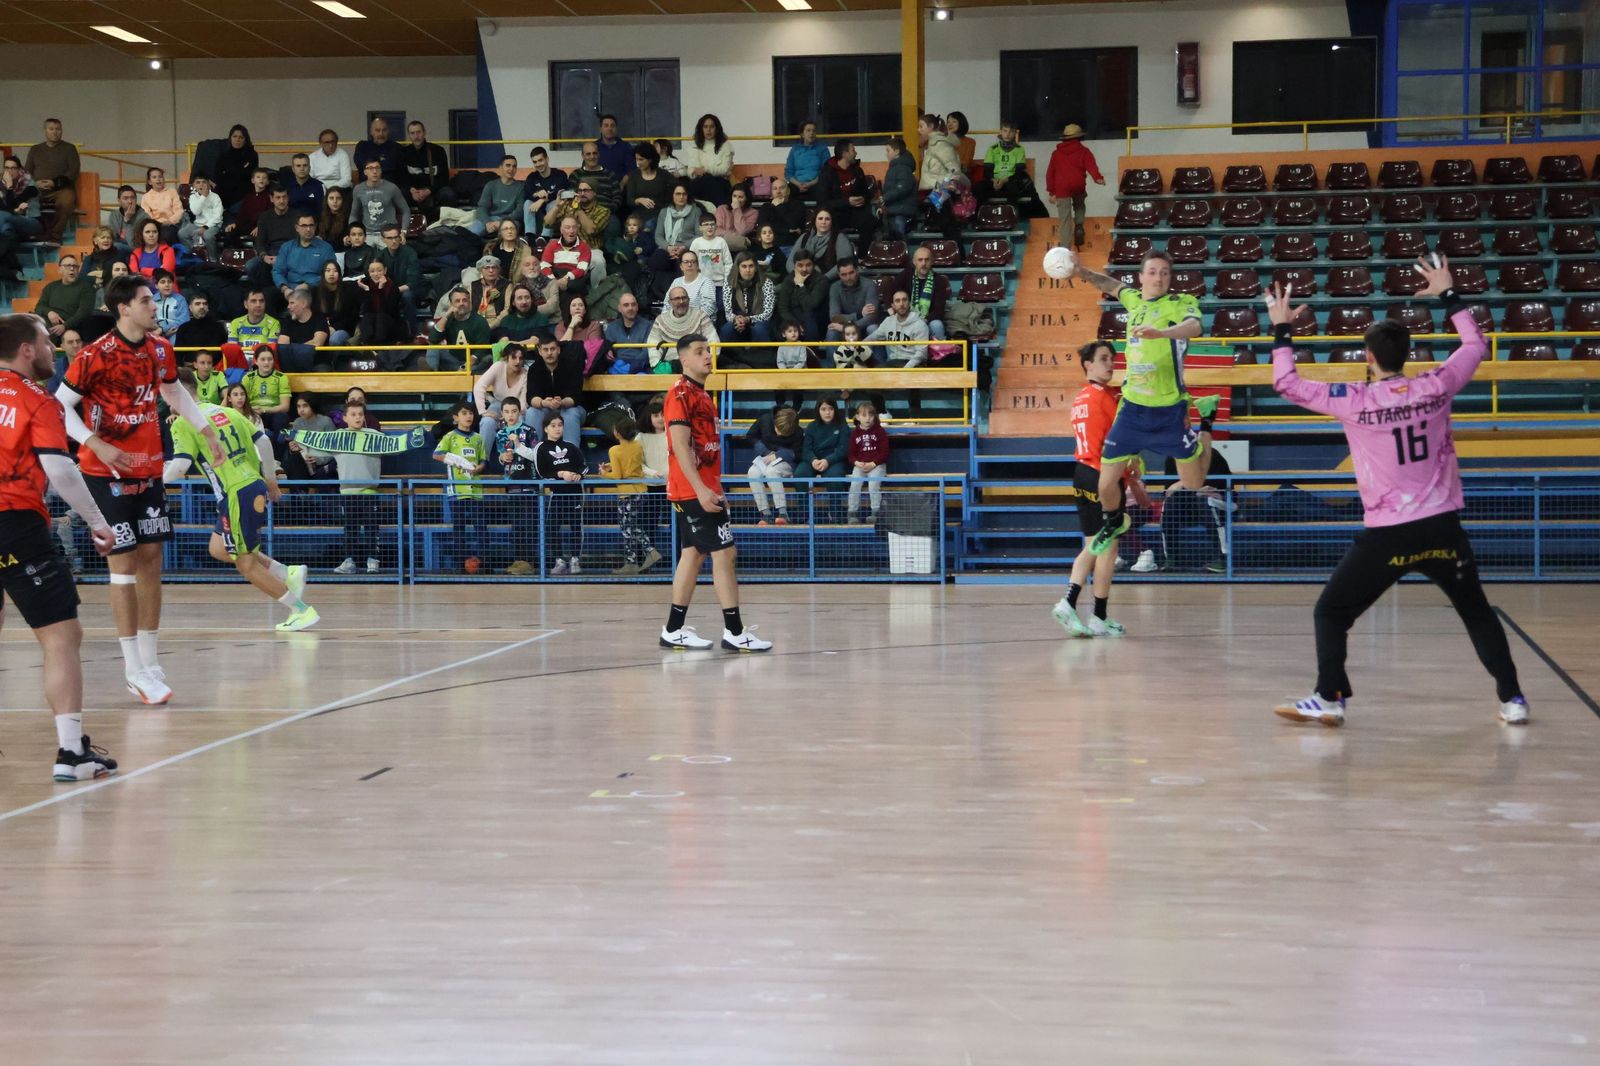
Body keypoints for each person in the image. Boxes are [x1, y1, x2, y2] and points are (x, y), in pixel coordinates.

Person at [1263, 267, 1529, 727]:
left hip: (1388, 534)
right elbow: (1475, 347)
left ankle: (1329, 697)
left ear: (1368, 357)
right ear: (1409, 354)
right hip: (1443, 527)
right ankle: (1514, 700)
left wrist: (1282, 327)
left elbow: (1286, 383)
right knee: (1476, 612)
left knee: (1331, 611)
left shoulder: (1355, 399)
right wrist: (1449, 294)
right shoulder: (1436, 385)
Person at [56, 275, 225, 705]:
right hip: (103, 471)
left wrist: (206, 430)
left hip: (147, 468)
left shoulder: (160, 350)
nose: (155, 306)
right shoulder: (94, 356)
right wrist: (95, 444)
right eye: (147, 300)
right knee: (124, 561)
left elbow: (174, 393)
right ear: (124, 308)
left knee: (152, 557)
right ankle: (132, 667)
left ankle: (149, 660)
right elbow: (61, 407)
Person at [0, 312, 120, 780]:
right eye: (48, 343)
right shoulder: (37, 399)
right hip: (15, 522)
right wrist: (97, 522)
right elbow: (62, 470)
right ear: (26, 350)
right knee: (62, 637)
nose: (54, 351)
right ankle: (72, 753)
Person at [1073, 250, 1217, 558]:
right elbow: (1110, 285)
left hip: (1169, 410)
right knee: (1105, 485)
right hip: (1133, 410)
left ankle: (1207, 422)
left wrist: (1161, 333)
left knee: (1194, 482)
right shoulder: (1134, 301)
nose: (1159, 277)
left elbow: (1195, 327)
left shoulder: (1180, 304)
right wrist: (1080, 270)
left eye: (1164, 272)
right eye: (1152, 272)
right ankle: (1114, 522)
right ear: (1141, 277)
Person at [163, 367, 317, 632]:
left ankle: (300, 610)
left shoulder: (183, 422)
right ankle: (285, 573)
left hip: (235, 492)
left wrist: (154, 479)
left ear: (173, 393)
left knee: (244, 563)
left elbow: (179, 467)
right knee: (218, 548)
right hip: (252, 484)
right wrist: (270, 480)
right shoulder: (228, 411)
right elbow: (265, 443)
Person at [660, 335, 771, 652]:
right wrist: (701, 490)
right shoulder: (679, 394)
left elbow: (706, 450)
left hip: (702, 488)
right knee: (725, 553)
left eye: (708, 350)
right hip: (692, 489)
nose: (708, 355)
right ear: (684, 361)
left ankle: (673, 629)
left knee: (693, 555)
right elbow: (680, 447)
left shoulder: (703, 395)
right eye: (699, 352)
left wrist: (715, 489)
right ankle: (735, 632)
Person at [1053, 340, 1150, 639]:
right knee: (1105, 547)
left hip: (1080, 475)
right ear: (1088, 365)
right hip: (1102, 477)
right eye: (1104, 359)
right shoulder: (1107, 400)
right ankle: (1074, 603)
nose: (1111, 364)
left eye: (1112, 358)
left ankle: (1096, 614)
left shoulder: (1081, 398)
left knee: (1098, 544)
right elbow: (1120, 442)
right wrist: (1132, 475)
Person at [599, 415, 660, 575]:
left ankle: (649, 551)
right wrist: (611, 465)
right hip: (642, 490)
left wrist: (604, 474)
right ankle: (631, 561)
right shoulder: (638, 446)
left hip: (627, 493)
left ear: (617, 433)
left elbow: (618, 476)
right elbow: (631, 463)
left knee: (628, 527)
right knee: (629, 526)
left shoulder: (614, 450)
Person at [433, 401, 488, 574]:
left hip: (476, 491)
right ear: (456, 417)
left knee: (481, 529)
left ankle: (484, 564)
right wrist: (455, 461)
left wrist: (479, 467)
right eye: (464, 413)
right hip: (457, 492)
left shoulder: (478, 438)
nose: (468, 416)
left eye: (471, 413)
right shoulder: (450, 437)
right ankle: (461, 565)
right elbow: (437, 455)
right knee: (459, 529)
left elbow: (483, 460)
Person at [332, 401, 384, 574]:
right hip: (347, 491)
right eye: (353, 414)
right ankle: (349, 562)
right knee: (350, 527)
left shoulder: (374, 435)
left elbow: (397, 446)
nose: (357, 418)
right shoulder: (337, 436)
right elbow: (317, 451)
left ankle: (373, 561)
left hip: (370, 490)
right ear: (345, 417)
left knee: (371, 526)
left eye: (360, 414)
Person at [532, 409, 586, 574]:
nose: (557, 428)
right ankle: (560, 560)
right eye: (553, 425)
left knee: (576, 526)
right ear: (546, 428)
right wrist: (560, 474)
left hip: (575, 493)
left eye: (560, 425)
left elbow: (583, 466)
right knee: (553, 527)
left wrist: (578, 475)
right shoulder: (540, 448)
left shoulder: (570, 446)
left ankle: (575, 560)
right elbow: (541, 472)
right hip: (556, 494)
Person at [1045, 123, 1104, 251]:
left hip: (1061, 187)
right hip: (1078, 183)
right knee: (1079, 203)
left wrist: (1051, 191)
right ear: (1079, 138)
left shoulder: (1056, 154)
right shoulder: (1084, 151)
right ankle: (1078, 224)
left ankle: (1066, 247)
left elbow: (1050, 173)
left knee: (1065, 219)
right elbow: (1091, 166)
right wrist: (1098, 178)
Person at [24, 118, 80, 243]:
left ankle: (54, 235)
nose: (55, 132)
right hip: (37, 188)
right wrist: (35, 183)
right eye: (51, 129)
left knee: (67, 201)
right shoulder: (35, 149)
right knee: (23, 198)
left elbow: (73, 172)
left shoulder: (70, 149)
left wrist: (54, 182)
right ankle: (32, 234)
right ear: (45, 131)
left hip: (61, 189)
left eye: (58, 129)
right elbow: (26, 172)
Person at [975, 121, 1046, 217]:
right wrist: (994, 181)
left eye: (1011, 132)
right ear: (1001, 132)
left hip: (1011, 179)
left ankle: (1011, 216)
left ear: (1015, 133)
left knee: (1013, 188)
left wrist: (1005, 181)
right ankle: (980, 217)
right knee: (978, 188)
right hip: (995, 180)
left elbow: (1019, 171)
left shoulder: (1019, 149)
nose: (1007, 134)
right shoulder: (992, 149)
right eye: (1005, 131)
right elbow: (987, 170)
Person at [526, 333, 585, 445]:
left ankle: (570, 457)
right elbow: (531, 397)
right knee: (532, 412)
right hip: (546, 409)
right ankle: (532, 456)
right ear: (540, 351)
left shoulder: (572, 366)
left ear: (558, 350)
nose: (549, 353)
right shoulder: (534, 369)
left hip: (571, 408)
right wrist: (544, 403)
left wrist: (561, 402)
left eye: (552, 349)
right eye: (546, 350)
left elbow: (576, 397)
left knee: (571, 413)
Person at [746, 405, 801, 525]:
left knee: (771, 471)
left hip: (785, 463)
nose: (779, 434)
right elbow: (751, 436)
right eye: (777, 429)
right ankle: (765, 514)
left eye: (783, 433)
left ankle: (783, 513)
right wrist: (765, 451)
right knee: (752, 472)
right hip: (765, 457)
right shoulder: (764, 419)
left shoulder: (798, 431)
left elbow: (797, 453)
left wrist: (778, 455)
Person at [474, 340, 529, 460]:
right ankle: (483, 461)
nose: (517, 361)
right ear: (506, 358)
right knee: (487, 421)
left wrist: (509, 415)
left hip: (516, 408)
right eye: (514, 357)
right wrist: (482, 411)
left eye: (521, 358)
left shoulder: (526, 374)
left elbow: (523, 405)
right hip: (498, 404)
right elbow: (479, 387)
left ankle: (519, 462)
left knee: (521, 422)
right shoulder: (498, 366)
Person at [816, 140, 876, 245]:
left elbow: (866, 193)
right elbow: (823, 202)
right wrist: (846, 202)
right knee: (825, 223)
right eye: (853, 150)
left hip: (854, 211)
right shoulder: (827, 173)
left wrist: (863, 198)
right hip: (834, 213)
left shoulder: (857, 171)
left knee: (869, 221)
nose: (856, 153)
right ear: (845, 154)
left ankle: (862, 256)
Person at [801, 397, 850, 519]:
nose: (827, 413)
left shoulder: (843, 426)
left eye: (830, 409)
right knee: (800, 473)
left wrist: (828, 460)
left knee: (835, 478)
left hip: (834, 461)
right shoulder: (812, 426)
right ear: (818, 410)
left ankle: (835, 514)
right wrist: (813, 460)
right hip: (813, 461)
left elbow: (843, 449)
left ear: (835, 410)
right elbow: (806, 449)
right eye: (823, 409)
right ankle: (804, 514)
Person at [646, 285, 716, 370]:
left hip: (696, 367)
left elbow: (714, 341)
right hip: (670, 367)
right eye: (677, 299)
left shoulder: (701, 316)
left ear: (689, 300)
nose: (681, 301)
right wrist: (657, 365)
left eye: (684, 298)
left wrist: (710, 362)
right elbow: (653, 344)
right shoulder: (660, 320)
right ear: (669, 302)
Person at [892, 245, 952, 340]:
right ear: (914, 262)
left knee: (937, 325)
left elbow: (938, 311)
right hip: (906, 317)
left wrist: (921, 321)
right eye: (920, 260)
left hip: (928, 319)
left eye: (927, 260)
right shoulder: (906, 275)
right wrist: (888, 307)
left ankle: (940, 354)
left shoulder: (939, 281)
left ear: (932, 262)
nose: (923, 263)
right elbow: (890, 290)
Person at [427, 287, 491, 372]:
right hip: (453, 361)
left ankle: (460, 373)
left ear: (469, 303)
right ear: (451, 304)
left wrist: (464, 367)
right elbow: (432, 339)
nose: (461, 303)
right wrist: (446, 315)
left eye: (465, 300)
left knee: (487, 359)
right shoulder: (448, 320)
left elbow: (480, 351)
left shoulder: (480, 321)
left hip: (473, 363)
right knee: (433, 347)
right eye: (457, 301)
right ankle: (429, 374)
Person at [273, 213, 337, 298]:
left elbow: (329, 274)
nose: (308, 229)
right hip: (289, 288)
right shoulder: (287, 247)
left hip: (314, 289)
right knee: (268, 294)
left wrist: (307, 285)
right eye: (304, 226)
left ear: (315, 227)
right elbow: (278, 271)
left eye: (311, 225)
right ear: (297, 228)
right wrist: (285, 288)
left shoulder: (326, 248)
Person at [846, 400, 889, 524]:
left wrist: (873, 464)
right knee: (854, 484)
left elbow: (884, 452)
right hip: (860, 465)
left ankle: (876, 513)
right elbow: (851, 454)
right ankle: (852, 513)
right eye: (864, 415)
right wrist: (857, 463)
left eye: (871, 415)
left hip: (876, 465)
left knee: (873, 484)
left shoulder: (880, 431)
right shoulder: (854, 434)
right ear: (858, 417)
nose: (868, 418)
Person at [720, 253, 776, 347]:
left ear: (756, 268)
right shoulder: (729, 282)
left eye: (751, 266)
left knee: (760, 329)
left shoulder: (766, 283)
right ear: (738, 268)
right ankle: (726, 359)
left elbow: (768, 313)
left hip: (758, 322)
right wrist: (736, 320)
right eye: (744, 266)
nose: (748, 270)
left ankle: (763, 358)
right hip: (737, 321)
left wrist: (748, 319)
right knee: (727, 329)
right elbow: (728, 312)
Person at [350, 160, 410, 246]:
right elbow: (353, 214)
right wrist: (351, 233)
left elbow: (405, 210)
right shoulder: (358, 189)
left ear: (381, 170)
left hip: (388, 234)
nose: (374, 171)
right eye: (370, 168)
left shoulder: (392, 188)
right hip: (367, 234)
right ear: (365, 172)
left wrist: (403, 232)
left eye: (377, 168)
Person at [37, 254, 95, 341]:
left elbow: (84, 312)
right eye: (68, 266)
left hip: (71, 327)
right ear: (60, 270)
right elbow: (39, 306)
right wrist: (49, 312)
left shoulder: (86, 287)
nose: (72, 268)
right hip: (49, 323)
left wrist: (65, 326)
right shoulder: (51, 287)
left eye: (75, 266)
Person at [400, 120, 451, 220]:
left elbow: (444, 178)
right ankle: (405, 227)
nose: (416, 136)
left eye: (418, 132)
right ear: (409, 135)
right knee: (399, 193)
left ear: (424, 133)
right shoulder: (404, 153)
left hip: (434, 191)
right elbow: (402, 177)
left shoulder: (438, 151)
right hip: (412, 192)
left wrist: (429, 191)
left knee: (448, 193)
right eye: (412, 133)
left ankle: (447, 223)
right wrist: (412, 190)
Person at [774, 250, 829, 341]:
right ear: (794, 266)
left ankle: (811, 352)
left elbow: (810, 306)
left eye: (808, 265)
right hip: (793, 316)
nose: (804, 269)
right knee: (778, 321)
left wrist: (800, 285)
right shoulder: (788, 280)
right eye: (800, 265)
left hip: (814, 316)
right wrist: (794, 324)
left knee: (809, 318)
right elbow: (783, 308)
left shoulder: (821, 281)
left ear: (813, 265)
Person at [681, 114, 735, 206]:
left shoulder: (726, 146)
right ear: (701, 129)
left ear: (717, 128)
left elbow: (725, 169)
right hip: (700, 183)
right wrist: (696, 171)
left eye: (711, 127)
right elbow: (691, 170)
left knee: (708, 180)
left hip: (720, 183)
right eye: (705, 127)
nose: (708, 130)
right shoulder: (694, 148)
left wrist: (705, 169)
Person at [867, 290, 932, 366]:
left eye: (904, 300)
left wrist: (906, 369)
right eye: (897, 301)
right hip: (893, 362)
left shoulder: (920, 324)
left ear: (909, 303)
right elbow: (871, 339)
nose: (901, 304)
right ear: (893, 305)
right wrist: (857, 347)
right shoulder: (888, 321)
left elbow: (922, 354)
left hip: (914, 365)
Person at [274, 284, 330, 373]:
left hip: (316, 364)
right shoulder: (287, 321)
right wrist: (299, 350)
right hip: (292, 364)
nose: (288, 307)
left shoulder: (319, 319)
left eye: (292, 303)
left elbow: (317, 343)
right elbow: (283, 345)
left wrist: (293, 349)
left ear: (303, 304)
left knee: (323, 370)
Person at [284, 394, 336, 486]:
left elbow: (334, 450)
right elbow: (298, 450)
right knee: (293, 459)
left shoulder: (326, 421)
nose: (301, 409)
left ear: (313, 405)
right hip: (304, 465)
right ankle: (299, 495)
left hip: (323, 464)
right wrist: (294, 449)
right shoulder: (297, 422)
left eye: (305, 406)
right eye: (298, 406)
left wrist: (318, 459)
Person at [788, 207, 853, 280]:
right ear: (815, 220)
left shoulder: (839, 238)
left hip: (827, 281)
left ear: (832, 221)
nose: (823, 222)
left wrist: (823, 279)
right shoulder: (804, 237)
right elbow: (790, 262)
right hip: (801, 279)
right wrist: (797, 276)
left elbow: (844, 264)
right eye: (820, 218)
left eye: (827, 219)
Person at [825, 257, 878, 342]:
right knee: (832, 331)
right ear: (838, 275)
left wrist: (846, 327)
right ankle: (833, 356)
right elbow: (834, 317)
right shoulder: (834, 287)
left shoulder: (869, 285)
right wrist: (859, 315)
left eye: (851, 273)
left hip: (864, 326)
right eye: (844, 274)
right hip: (846, 327)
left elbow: (871, 317)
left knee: (873, 329)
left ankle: (878, 356)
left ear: (857, 271)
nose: (848, 277)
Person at [243, 345, 292, 438]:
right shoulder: (248, 378)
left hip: (273, 413)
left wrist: (264, 410)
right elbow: (243, 403)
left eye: (270, 359)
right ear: (256, 361)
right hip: (253, 412)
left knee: (282, 418)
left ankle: (276, 450)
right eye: (263, 359)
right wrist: (252, 410)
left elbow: (285, 407)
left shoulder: (281, 377)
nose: (267, 362)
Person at [540, 215, 592, 298]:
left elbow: (582, 269)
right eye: (567, 227)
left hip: (573, 280)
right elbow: (544, 266)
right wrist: (555, 282)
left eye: (574, 227)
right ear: (561, 230)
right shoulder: (552, 245)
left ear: (578, 229)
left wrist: (566, 279)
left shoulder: (584, 247)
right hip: (555, 278)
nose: (571, 231)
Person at [521, 146, 569, 235]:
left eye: (540, 160)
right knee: (527, 203)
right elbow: (526, 195)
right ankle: (530, 236)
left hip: (555, 211)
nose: (538, 164)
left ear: (547, 159)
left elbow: (560, 193)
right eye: (535, 162)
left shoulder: (560, 175)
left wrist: (542, 200)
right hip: (538, 212)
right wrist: (536, 195)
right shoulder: (532, 177)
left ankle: (545, 237)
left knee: (553, 203)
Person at [474, 155, 525, 237]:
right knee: (470, 235)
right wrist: (487, 222)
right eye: (508, 165)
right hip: (490, 219)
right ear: (500, 168)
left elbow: (519, 212)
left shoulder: (521, 187)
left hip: (511, 221)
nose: (511, 169)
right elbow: (482, 208)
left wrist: (501, 222)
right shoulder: (491, 185)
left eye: (514, 166)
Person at [569, 142, 621, 219]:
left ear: (599, 154)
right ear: (583, 156)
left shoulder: (610, 175)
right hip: (582, 214)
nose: (592, 156)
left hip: (606, 214)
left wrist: (606, 211)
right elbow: (571, 197)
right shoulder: (576, 175)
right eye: (588, 154)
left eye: (594, 153)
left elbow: (618, 197)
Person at [213, 124, 259, 209]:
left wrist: (228, 173)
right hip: (224, 195)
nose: (237, 139)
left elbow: (251, 176)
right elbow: (217, 177)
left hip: (244, 195)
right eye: (235, 136)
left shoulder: (252, 155)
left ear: (246, 139)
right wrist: (241, 170)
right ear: (230, 138)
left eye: (241, 137)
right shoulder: (223, 156)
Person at [179, 173, 223, 258]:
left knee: (208, 235)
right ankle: (193, 255)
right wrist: (203, 196)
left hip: (213, 225)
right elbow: (196, 212)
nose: (201, 184)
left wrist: (206, 227)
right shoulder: (193, 197)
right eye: (198, 182)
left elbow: (217, 217)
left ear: (208, 184)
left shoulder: (215, 197)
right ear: (194, 185)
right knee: (182, 233)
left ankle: (213, 259)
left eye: (204, 182)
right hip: (197, 224)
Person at [354, 116, 404, 188]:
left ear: (388, 131)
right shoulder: (362, 147)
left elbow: (401, 173)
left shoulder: (397, 148)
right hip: (367, 189)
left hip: (390, 190)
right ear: (371, 131)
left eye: (384, 130)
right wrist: (387, 167)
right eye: (377, 130)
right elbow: (362, 166)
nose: (381, 134)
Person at [755, 179, 805, 248]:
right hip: (770, 245)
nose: (778, 191)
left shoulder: (798, 205)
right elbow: (763, 228)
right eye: (775, 189)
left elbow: (792, 225)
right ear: (772, 193)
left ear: (788, 191)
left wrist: (779, 206)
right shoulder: (766, 207)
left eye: (781, 188)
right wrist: (788, 231)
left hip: (790, 245)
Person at [140, 167, 184, 243]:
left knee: (168, 234)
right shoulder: (145, 197)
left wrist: (170, 221)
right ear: (150, 182)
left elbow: (179, 211)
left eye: (160, 176)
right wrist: (156, 224)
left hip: (171, 224)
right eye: (154, 177)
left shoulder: (172, 192)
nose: (158, 179)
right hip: (154, 226)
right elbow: (147, 215)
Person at [785, 121, 829, 197]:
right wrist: (799, 184)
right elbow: (788, 172)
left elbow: (826, 171)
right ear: (802, 134)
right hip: (797, 184)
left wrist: (809, 184)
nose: (811, 133)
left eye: (814, 131)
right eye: (808, 130)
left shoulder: (822, 148)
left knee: (823, 191)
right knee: (786, 191)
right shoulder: (795, 149)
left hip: (816, 183)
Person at [690, 214, 733, 292]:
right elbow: (692, 262)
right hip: (701, 283)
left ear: (716, 226)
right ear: (700, 228)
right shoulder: (696, 242)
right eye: (706, 224)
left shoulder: (721, 241)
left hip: (720, 284)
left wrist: (726, 281)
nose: (710, 227)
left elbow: (728, 263)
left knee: (719, 304)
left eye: (712, 224)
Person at [713, 185, 758, 253]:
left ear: (747, 198)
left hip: (740, 247)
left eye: (740, 197)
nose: (736, 200)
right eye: (734, 196)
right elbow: (717, 230)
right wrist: (733, 235)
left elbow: (742, 231)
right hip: (721, 244)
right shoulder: (721, 209)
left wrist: (737, 209)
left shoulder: (753, 213)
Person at [282, 153, 325, 220]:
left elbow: (323, 211)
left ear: (309, 168)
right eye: (298, 166)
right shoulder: (287, 187)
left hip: (313, 226)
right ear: (293, 169)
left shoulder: (319, 186)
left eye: (305, 165)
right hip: (291, 225)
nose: (302, 169)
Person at [151, 269, 189, 337]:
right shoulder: (151, 301)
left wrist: (163, 329)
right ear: (156, 285)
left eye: (169, 282)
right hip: (155, 333)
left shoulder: (180, 299)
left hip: (175, 331)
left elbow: (184, 320)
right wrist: (162, 333)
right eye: (163, 282)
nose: (167, 285)